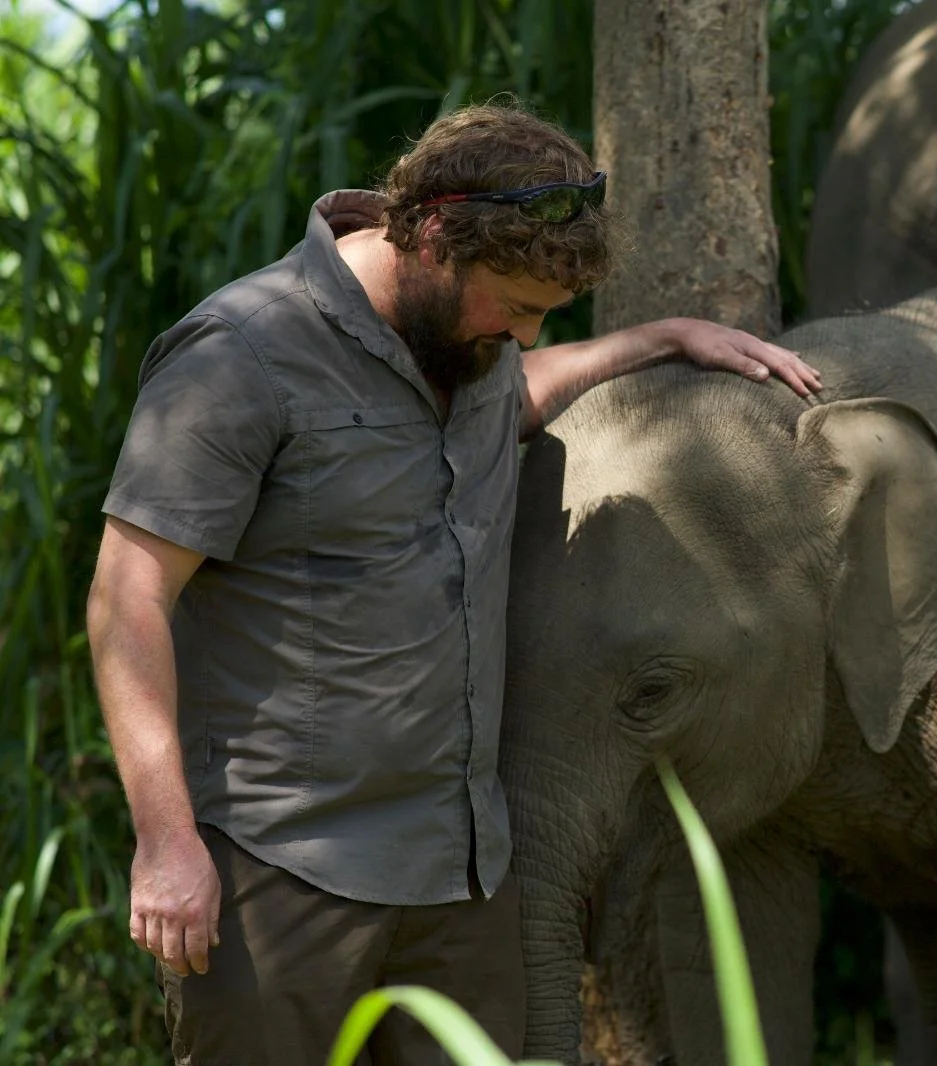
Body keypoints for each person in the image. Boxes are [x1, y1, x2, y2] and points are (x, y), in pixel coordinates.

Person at [84, 101, 822, 1066]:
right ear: (432, 235)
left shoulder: (473, 356)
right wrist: (166, 841)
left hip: (462, 881)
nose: (520, 333)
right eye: (513, 305)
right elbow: (125, 597)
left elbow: (520, 392)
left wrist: (666, 337)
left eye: (538, 319)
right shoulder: (240, 355)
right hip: (280, 877)